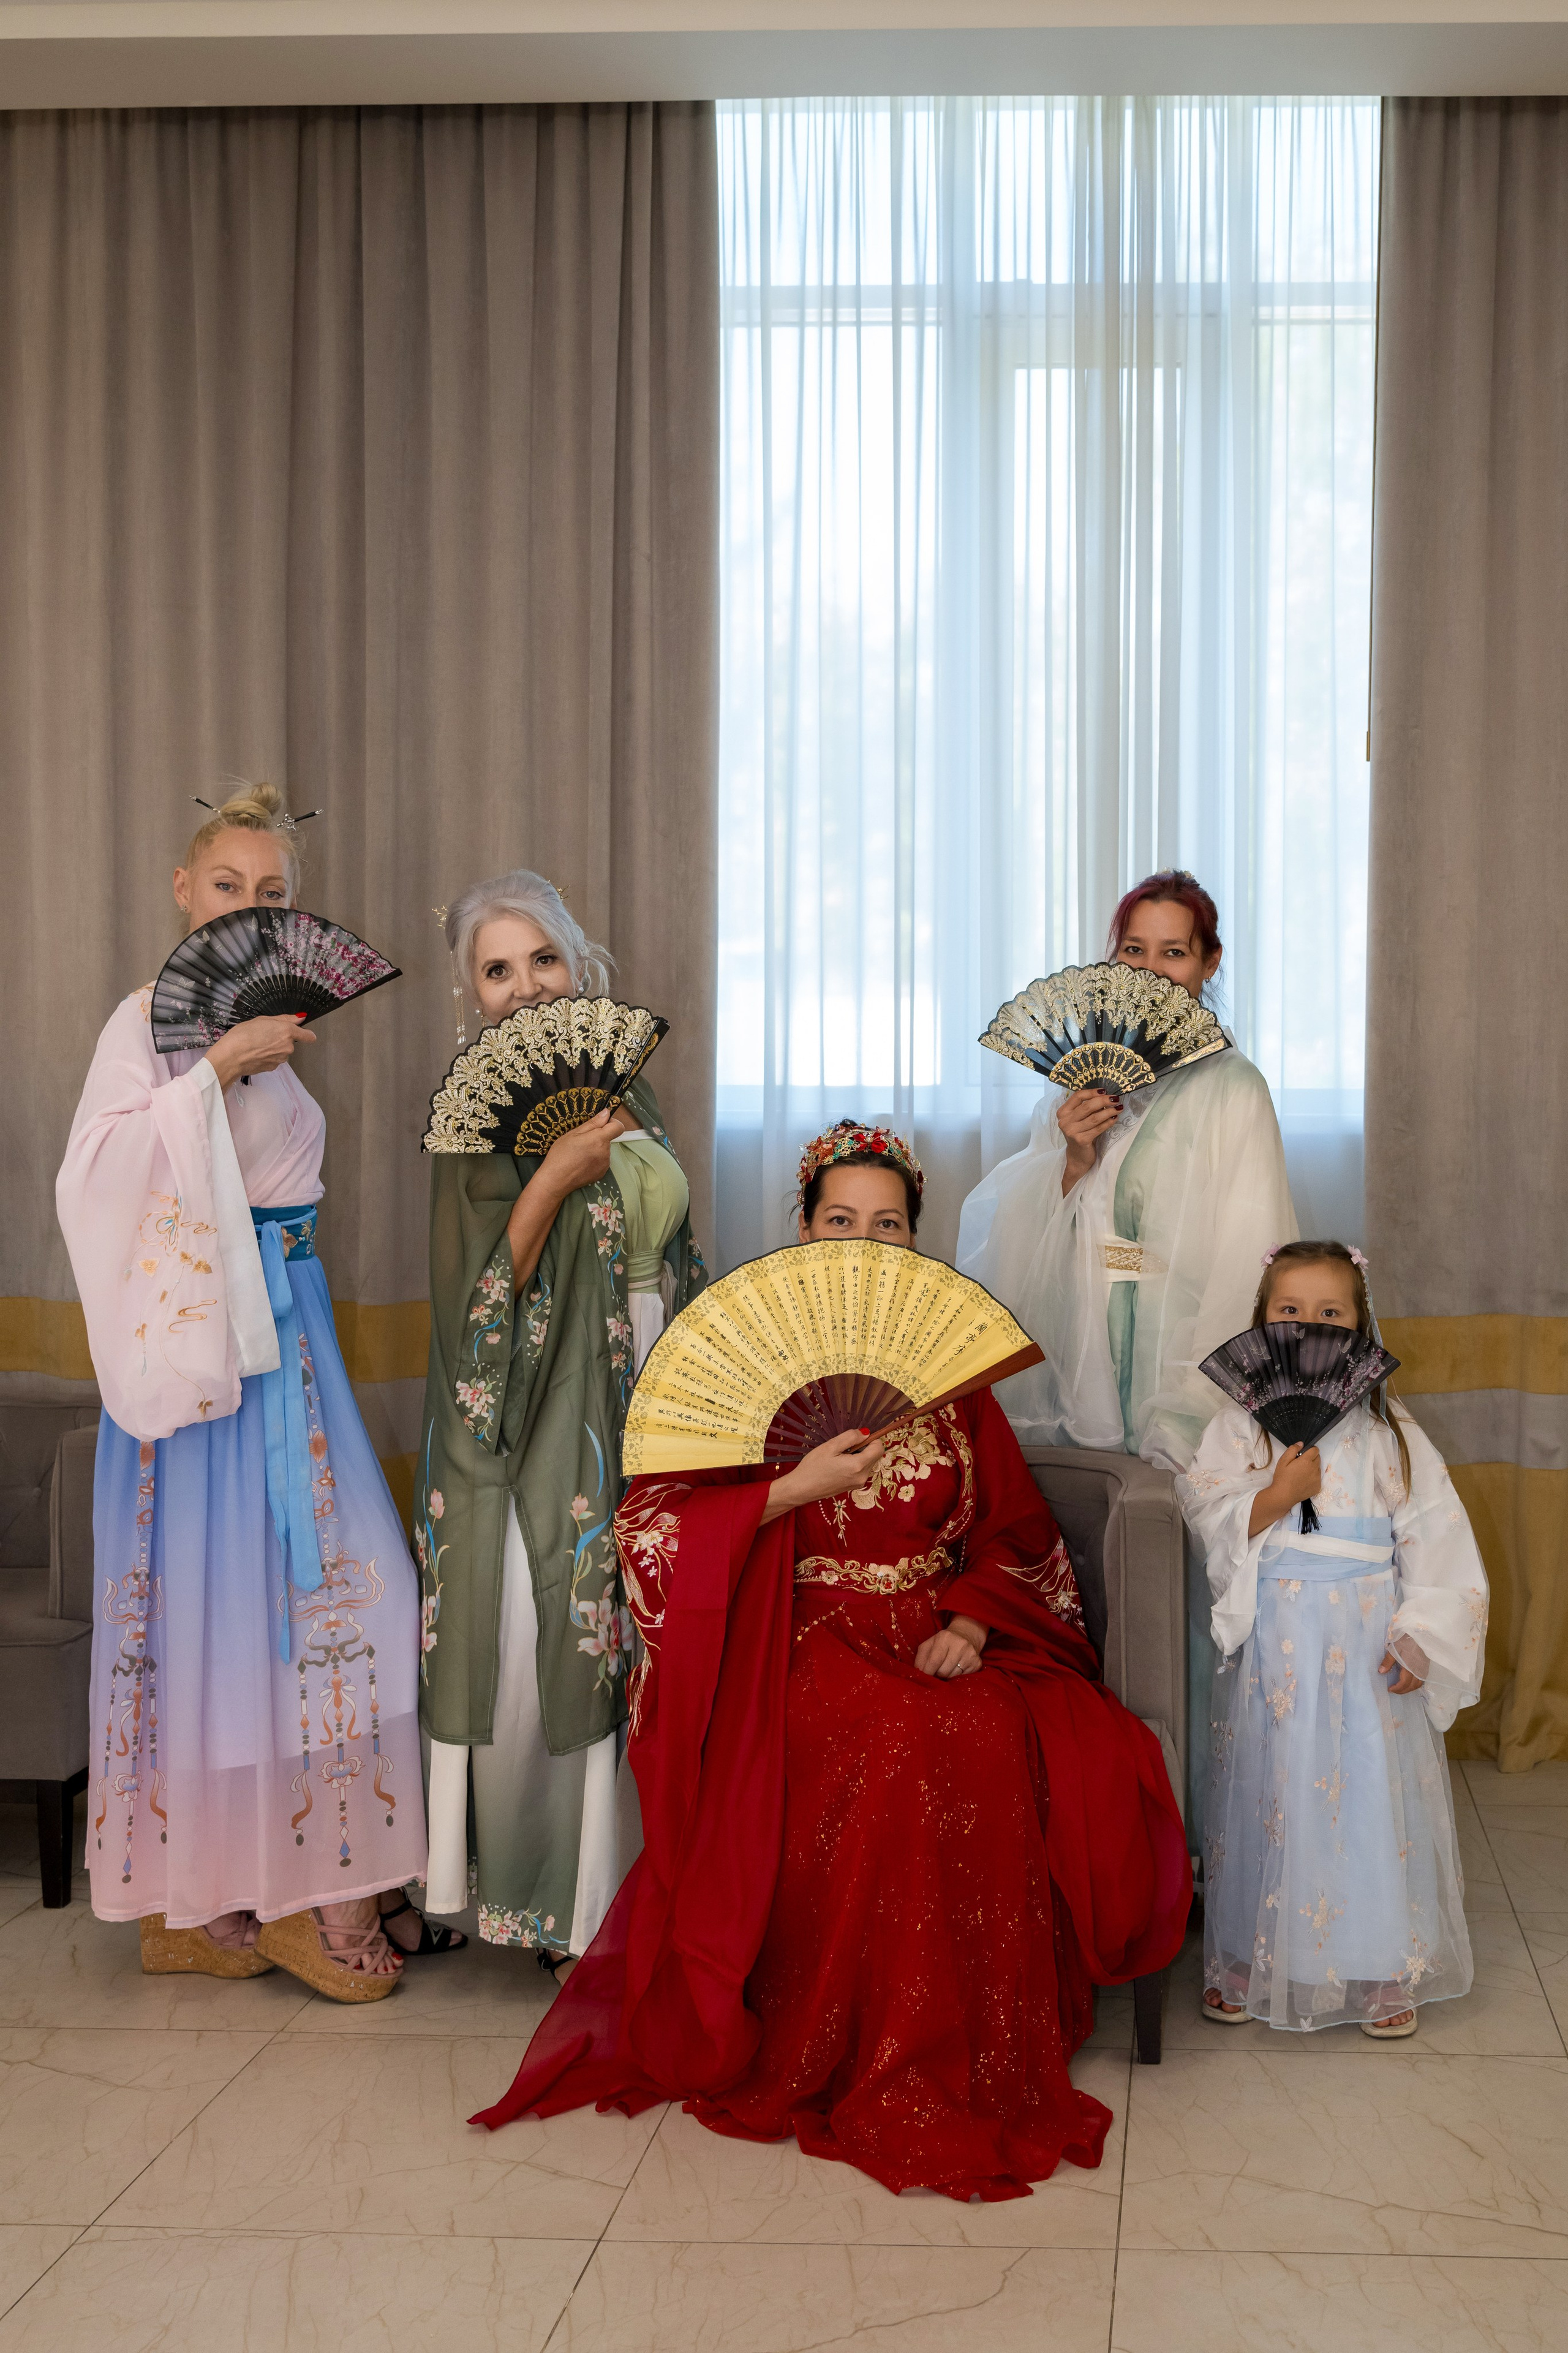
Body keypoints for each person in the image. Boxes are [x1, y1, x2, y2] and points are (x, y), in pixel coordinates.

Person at [470, 1120, 1191, 2202]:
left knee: (986, 1725)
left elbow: (1017, 1532)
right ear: (804, 1228)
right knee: (891, 1737)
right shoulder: (748, 1368)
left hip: (933, 1629)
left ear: (916, 1236)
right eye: (840, 1219)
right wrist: (788, 1493)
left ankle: (968, 2045)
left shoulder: (951, 1381)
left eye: (889, 1223)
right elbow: (654, 1531)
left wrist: (978, 1622)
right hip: (797, 1634)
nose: (865, 1237)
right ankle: (851, 2044)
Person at [55, 785, 426, 1997]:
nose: (252, 910)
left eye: (274, 894)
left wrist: (243, 1057)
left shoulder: (279, 1022)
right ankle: (227, 1899)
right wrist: (216, 1064)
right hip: (203, 1357)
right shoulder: (145, 1025)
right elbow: (96, 1174)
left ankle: (290, 1880)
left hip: (291, 1331)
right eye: (230, 888)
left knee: (328, 1603)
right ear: (184, 891)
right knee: (223, 1618)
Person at [416, 869, 705, 1962]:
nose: (526, 989)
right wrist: (554, 1175)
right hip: (517, 1425)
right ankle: (525, 1900)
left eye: (543, 960)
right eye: (498, 970)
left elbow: (671, 1245)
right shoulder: (470, 1120)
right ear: (469, 994)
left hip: (631, 1392)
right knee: (538, 1645)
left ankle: (610, 1895)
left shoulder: (638, 1089)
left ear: (579, 967)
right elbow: (470, 1312)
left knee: (616, 1637)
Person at [1177, 1241, 1487, 2038]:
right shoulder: (1238, 1427)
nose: (1309, 1327)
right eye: (1289, 1312)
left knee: (1365, 1798)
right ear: (1260, 1326)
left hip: (1363, 1641)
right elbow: (1210, 1516)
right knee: (1269, 1790)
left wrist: (1422, 1633)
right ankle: (1248, 1953)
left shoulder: (1392, 1432)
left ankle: (1381, 1956)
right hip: (1277, 1638)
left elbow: (1436, 1539)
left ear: (1360, 1329)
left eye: (1330, 1313)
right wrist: (1275, 1492)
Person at [957, 871, 1297, 1472]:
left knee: (1161, 1539)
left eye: (1174, 952)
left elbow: (1250, 1254)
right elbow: (1026, 1233)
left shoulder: (1234, 1089)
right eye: (1133, 950)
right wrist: (1074, 1161)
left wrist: (1197, 1401)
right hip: (1081, 1354)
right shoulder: (1079, 1078)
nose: (1150, 970)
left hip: (1177, 1365)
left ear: (1208, 963)